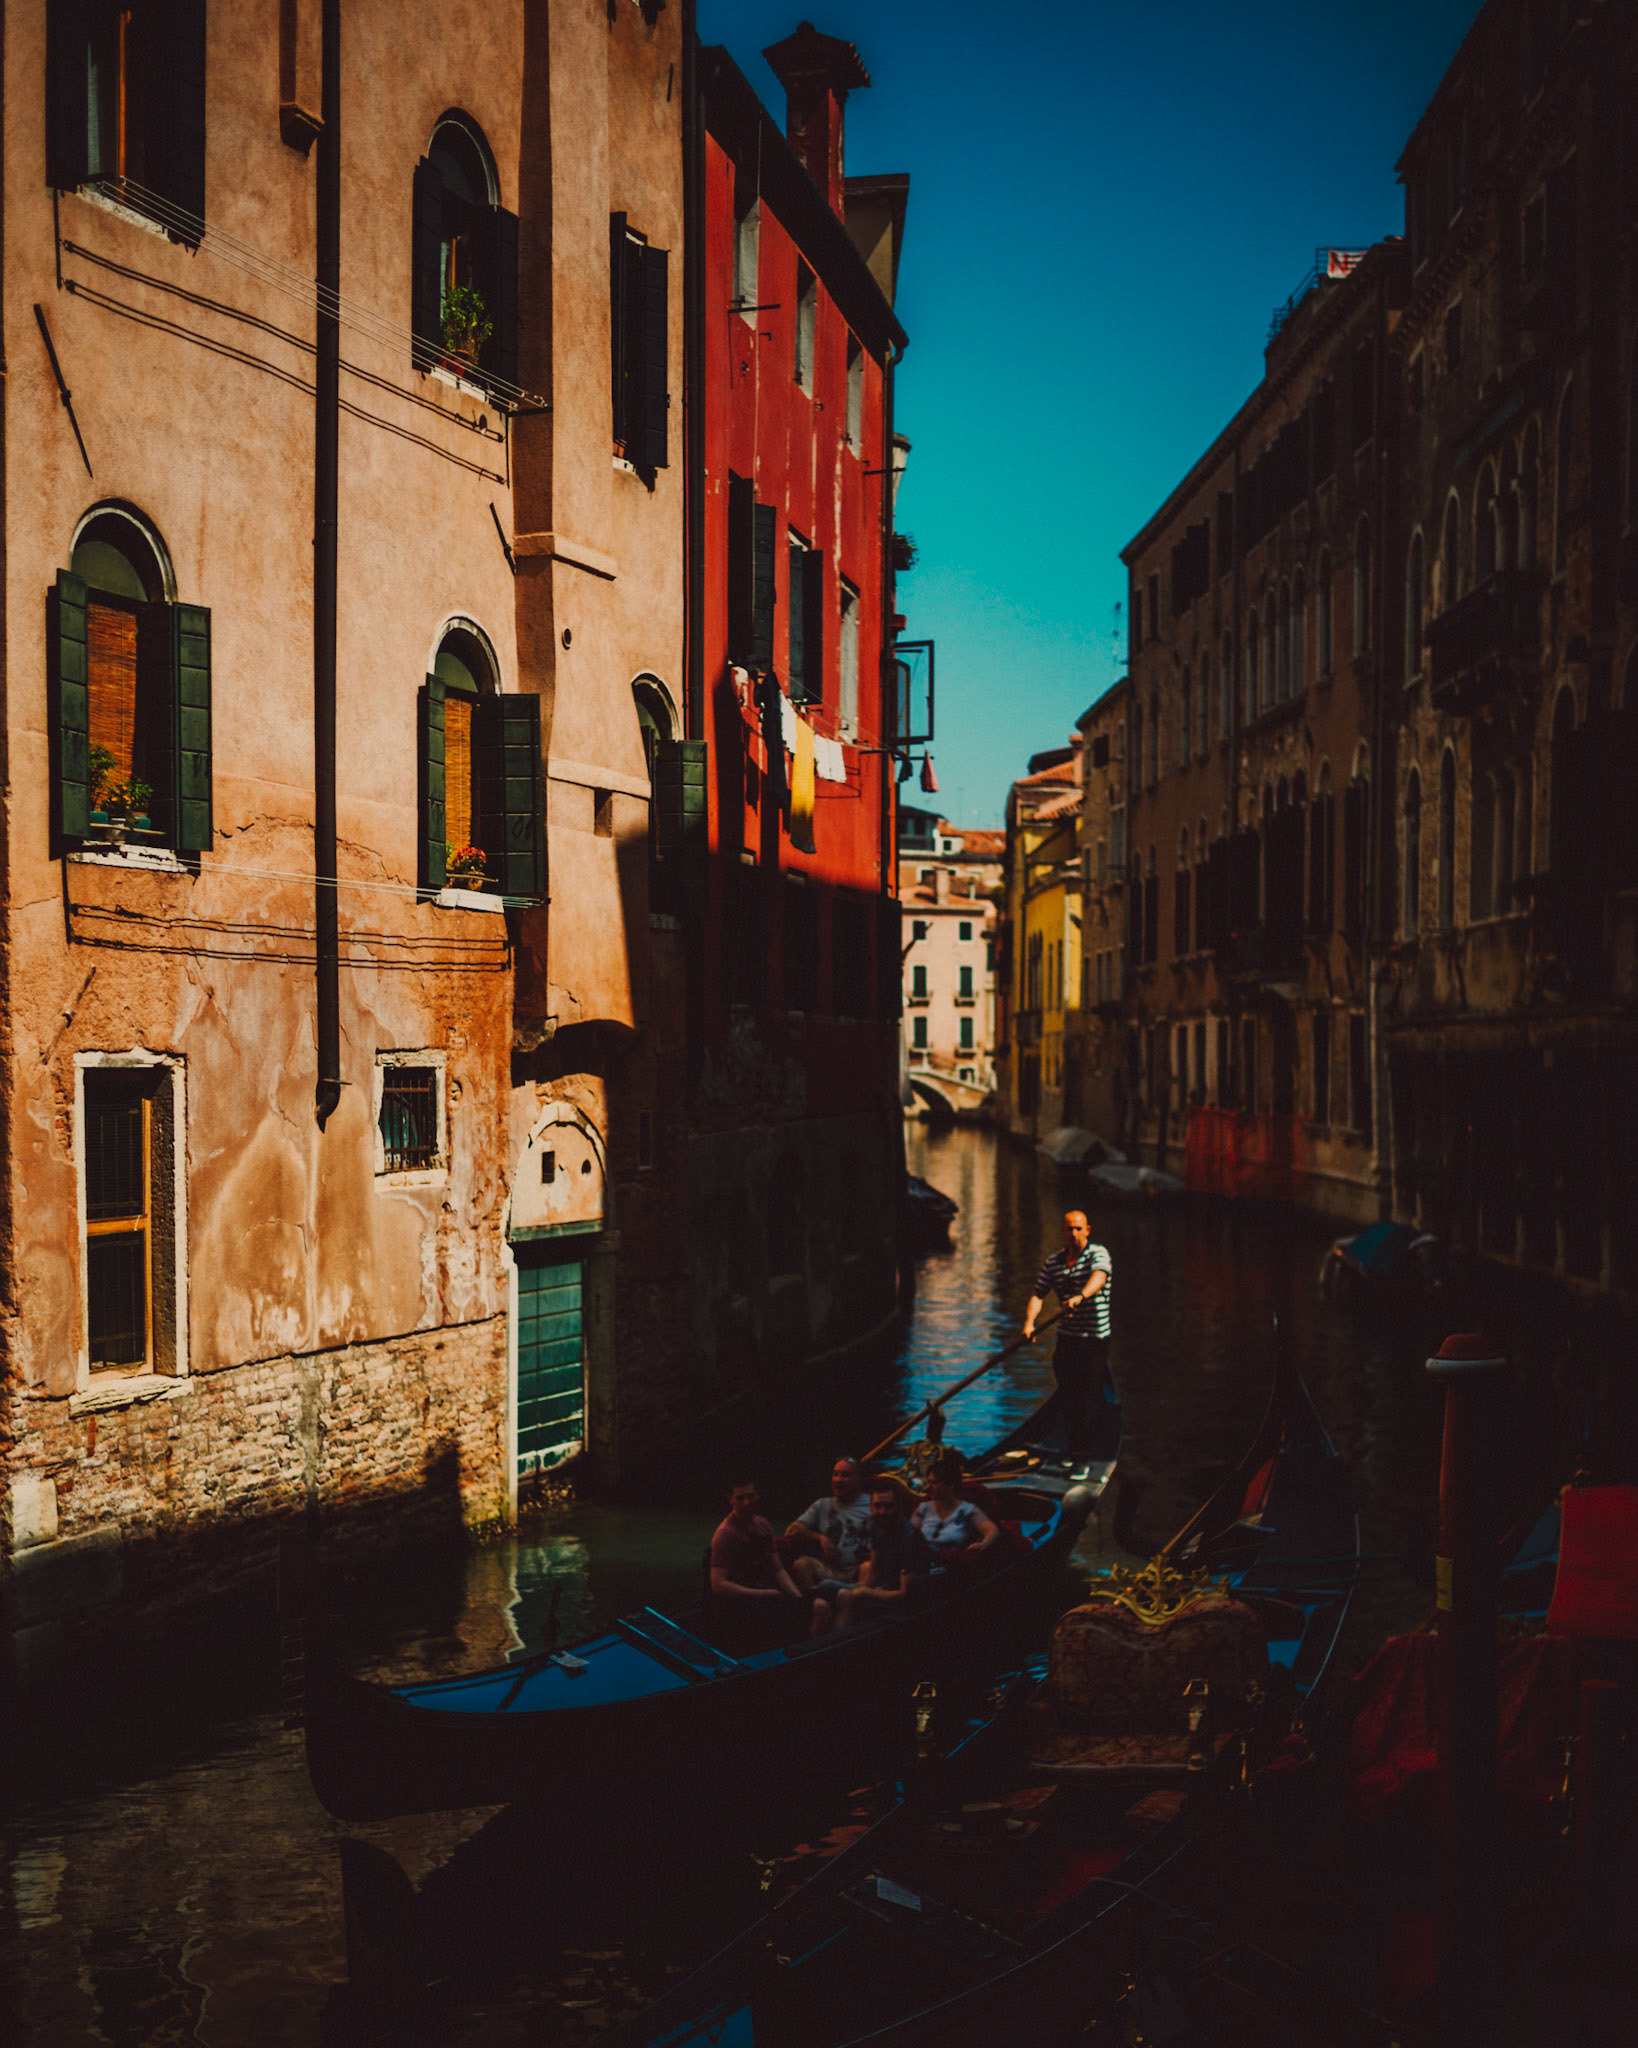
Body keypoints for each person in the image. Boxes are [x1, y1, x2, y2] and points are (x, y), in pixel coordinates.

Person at [1023, 1208, 1114, 1482]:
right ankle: (1075, 1448)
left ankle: (1083, 1457)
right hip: (1067, 1339)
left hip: (1094, 1340)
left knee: (1085, 1398)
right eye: (1069, 1229)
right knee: (1068, 1396)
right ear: (1062, 1232)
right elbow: (1038, 1295)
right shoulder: (1054, 1262)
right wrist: (1029, 1323)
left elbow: (1099, 1278)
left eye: (1078, 1228)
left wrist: (1080, 1296)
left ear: (1087, 1230)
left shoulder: (1098, 1254)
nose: (1074, 1233)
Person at [709, 1481, 832, 1644]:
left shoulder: (762, 1525)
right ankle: (804, 1653)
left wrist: (797, 1597)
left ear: (758, 1496)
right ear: (730, 1500)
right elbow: (718, 1584)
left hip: (767, 1591)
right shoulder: (726, 1534)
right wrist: (764, 1594)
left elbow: (778, 1570)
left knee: (834, 1600)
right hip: (744, 1601)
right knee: (818, 1609)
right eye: (740, 1498)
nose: (746, 1502)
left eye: (750, 1497)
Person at [840, 1479, 932, 1625]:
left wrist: (864, 1593)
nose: (882, 1512)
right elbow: (875, 1570)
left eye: (888, 1506)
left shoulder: (910, 1538)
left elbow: (905, 1595)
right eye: (878, 1506)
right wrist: (860, 1592)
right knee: (832, 1591)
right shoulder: (877, 1525)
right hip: (883, 1590)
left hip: (904, 1608)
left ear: (899, 1506)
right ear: (871, 1506)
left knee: (849, 1600)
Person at [784, 1457, 875, 1593]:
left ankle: (853, 1600)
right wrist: (821, 1538)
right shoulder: (822, 1505)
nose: (838, 1480)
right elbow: (792, 1529)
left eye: (845, 1475)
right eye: (835, 1474)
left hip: (858, 1568)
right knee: (801, 1565)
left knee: (870, 1567)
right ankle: (814, 1602)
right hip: (829, 1568)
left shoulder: (873, 1504)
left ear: (859, 1479)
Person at [911, 1451, 1001, 1575]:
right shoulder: (923, 1508)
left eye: (934, 1483)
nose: (928, 1487)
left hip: (950, 1569)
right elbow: (908, 1534)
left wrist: (984, 1544)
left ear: (950, 1485)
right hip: (920, 1566)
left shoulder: (968, 1510)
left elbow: (992, 1530)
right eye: (928, 1482)